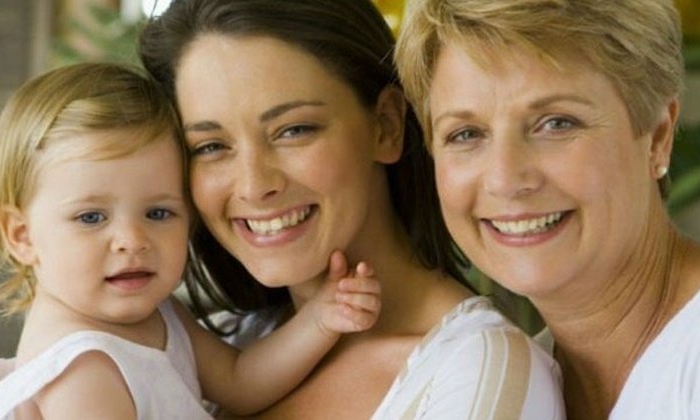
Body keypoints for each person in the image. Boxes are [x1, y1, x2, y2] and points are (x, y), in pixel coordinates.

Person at [138, 0, 564, 418]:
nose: (254, 185)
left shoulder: (478, 372)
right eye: (210, 147)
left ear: (386, 126)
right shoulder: (213, 355)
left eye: (294, 130)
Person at [0, 62, 383, 420]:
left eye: (158, 213)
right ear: (22, 236)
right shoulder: (80, 370)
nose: (132, 241)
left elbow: (240, 383)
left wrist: (319, 319)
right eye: (91, 217)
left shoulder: (152, 314)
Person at [395, 0, 700, 418]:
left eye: (556, 123)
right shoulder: (504, 384)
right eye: (466, 134)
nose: (505, 179)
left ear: (658, 137)